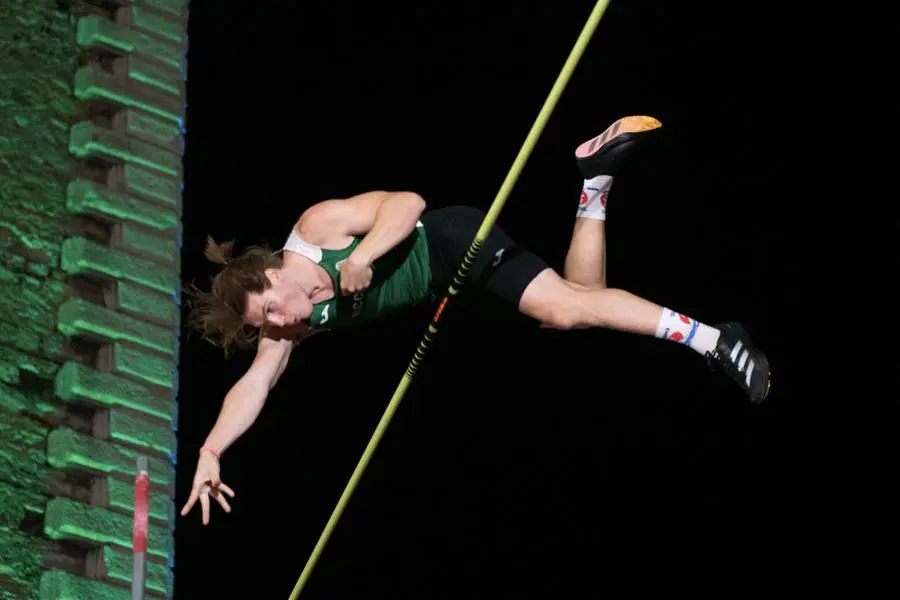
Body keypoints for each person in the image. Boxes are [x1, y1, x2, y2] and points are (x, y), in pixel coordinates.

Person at [180, 116, 771, 524]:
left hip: (446, 238)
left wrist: (361, 257)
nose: (277, 324)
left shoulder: (315, 232)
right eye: (268, 323)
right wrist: (211, 450)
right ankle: (595, 180)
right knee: (584, 300)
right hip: (443, 280)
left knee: (564, 311)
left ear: (274, 276)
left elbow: (407, 202)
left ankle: (716, 340)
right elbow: (254, 384)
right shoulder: (287, 325)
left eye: (271, 309)